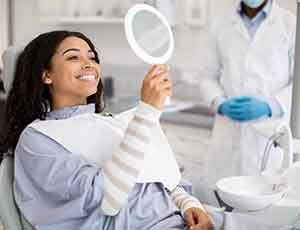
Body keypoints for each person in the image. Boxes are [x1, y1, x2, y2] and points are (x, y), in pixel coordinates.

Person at [0, 30, 213, 230]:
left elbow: (158, 175)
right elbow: (107, 198)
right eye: (73, 57)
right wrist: (146, 113)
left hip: (180, 218)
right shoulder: (37, 139)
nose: (89, 65)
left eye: (92, 58)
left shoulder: (107, 122)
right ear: (46, 75)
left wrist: (189, 204)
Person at [198, 0, 296, 206]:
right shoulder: (220, 24)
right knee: (222, 210)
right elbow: (207, 76)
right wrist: (220, 103)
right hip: (227, 136)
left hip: (271, 139)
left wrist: (271, 105)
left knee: (266, 210)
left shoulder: (290, 24)